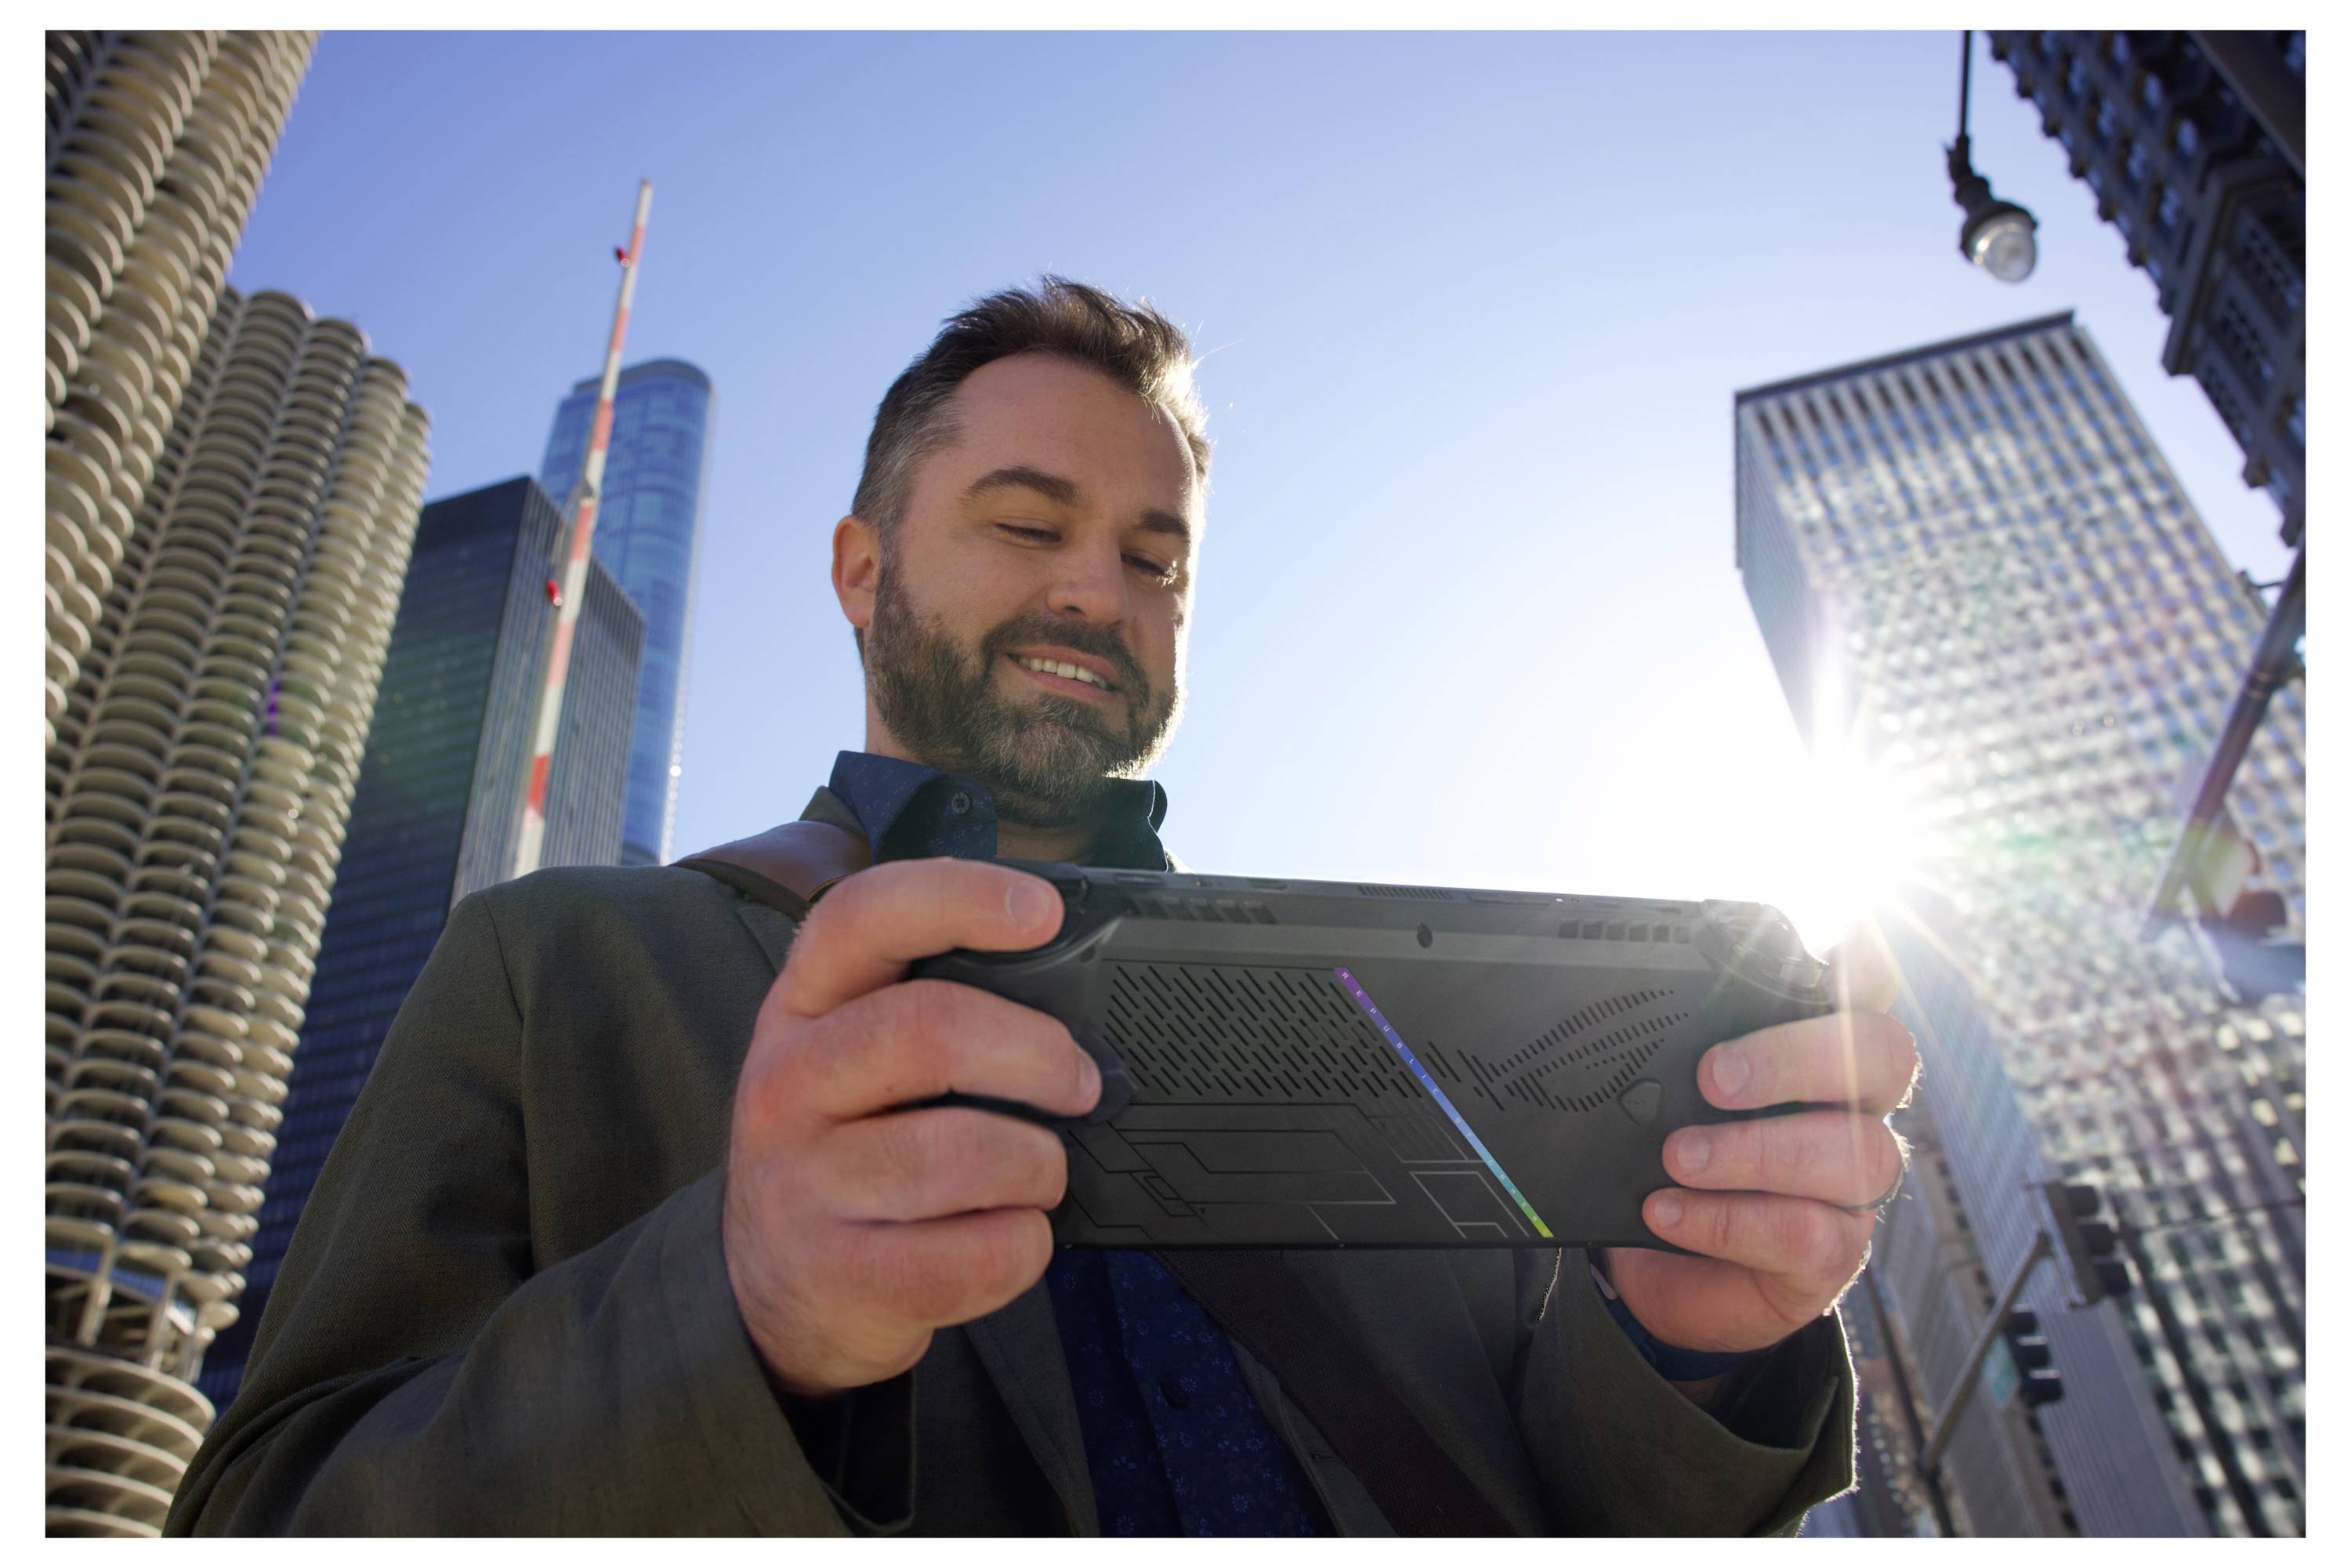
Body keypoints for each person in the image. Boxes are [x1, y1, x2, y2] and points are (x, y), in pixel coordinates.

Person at [167, 279, 1914, 1537]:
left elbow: (1587, 1501)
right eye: (1027, 522)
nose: (1102, 586)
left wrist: (1693, 1348)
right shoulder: (555, 964)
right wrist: (734, 1304)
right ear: (861, 570)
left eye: (1156, 557)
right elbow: (274, 1513)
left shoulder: (1396, 1023)